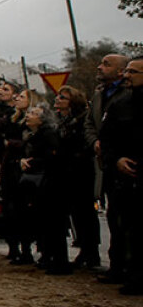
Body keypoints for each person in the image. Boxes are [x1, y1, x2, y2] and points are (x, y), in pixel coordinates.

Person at [85, 53, 132, 284]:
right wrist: (95, 141)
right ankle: (117, 266)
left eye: (107, 64)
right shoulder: (98, 95)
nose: (100, 67)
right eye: (101, 62)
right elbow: (90, 123)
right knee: (114, 217)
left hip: (124, 162)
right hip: (106, 163)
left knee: (128, 220)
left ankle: (130, 268)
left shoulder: (129, 95)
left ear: (121, 71)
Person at [97, 55, 141, 291]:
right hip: (123, 175)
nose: (127, 76)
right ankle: (128, 272)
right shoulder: (119, 103)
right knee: (125, 225)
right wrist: (116, 160)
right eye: (128, 72)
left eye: (133, 72)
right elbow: (107, 136)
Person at [53, 85, 101, 269]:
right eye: (58, 96)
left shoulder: (81, 119)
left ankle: (92, 251)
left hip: (82, 172)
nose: (58, 99)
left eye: (63, 97)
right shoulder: (60, 120)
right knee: (75, 215)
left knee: (86, 214)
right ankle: (83, 248)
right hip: (66, 173)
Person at [19, 104, 70, 275]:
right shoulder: (36, 135)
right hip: (45, 182)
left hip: (52, 183)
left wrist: (31, 162)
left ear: (42, 119)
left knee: (54, 223)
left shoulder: (48, 134)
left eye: (33, 113)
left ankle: (59, 262)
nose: (28, 116)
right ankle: (51, 258)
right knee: (48, 223)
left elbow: (52, 157)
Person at [3, 88, 36, 265]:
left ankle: (26, 249)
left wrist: (12, 144)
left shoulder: (30, 123)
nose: (17, 99)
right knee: (12, 211)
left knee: (24, 212)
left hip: (24, 170)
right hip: (11, 168)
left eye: (22, 97)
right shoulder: (13, 119)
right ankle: (15, 248)